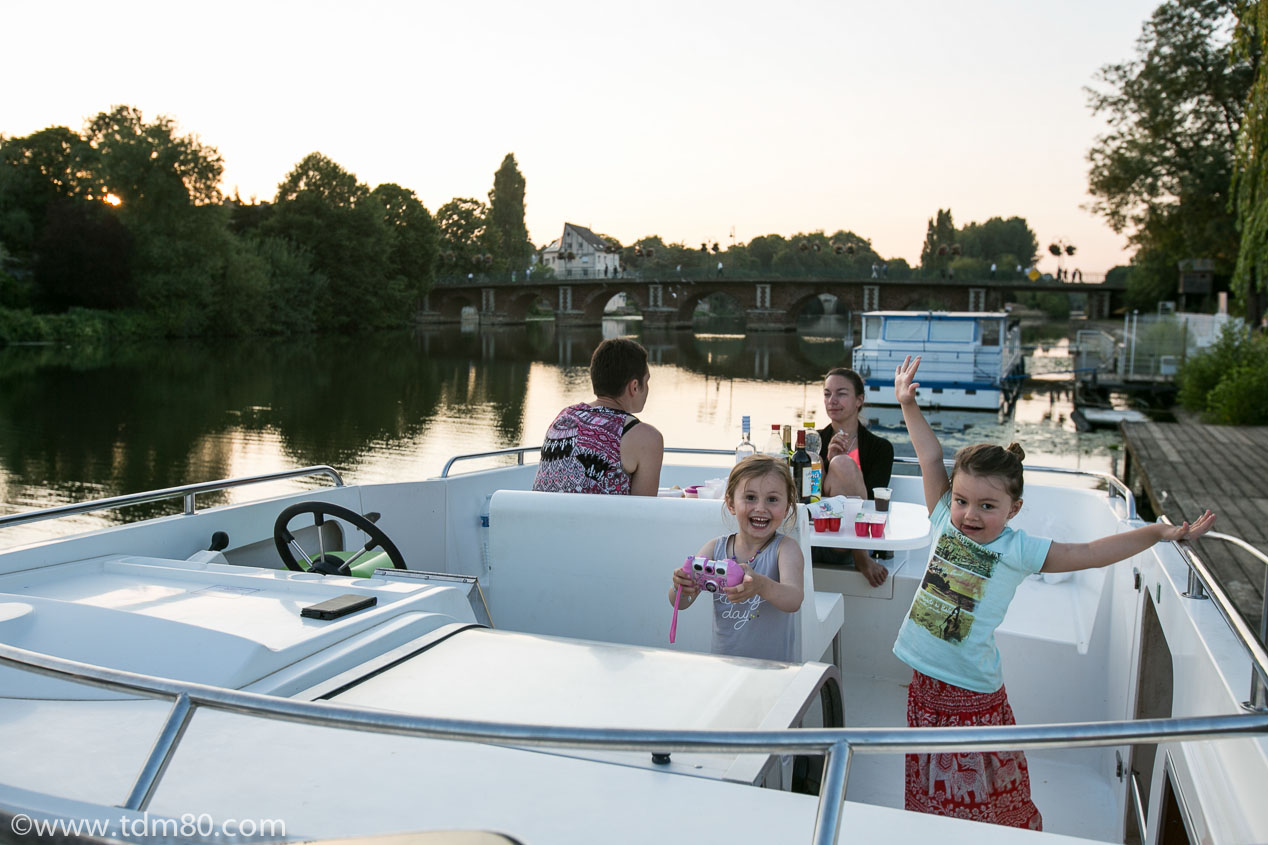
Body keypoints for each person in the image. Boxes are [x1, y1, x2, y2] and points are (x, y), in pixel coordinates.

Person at [892, 355, 1215, 831]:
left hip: (973, 691)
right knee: (932, 779)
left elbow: (1088, 551)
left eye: (987, 505)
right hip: (925, 685)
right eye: (962, 501)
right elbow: (928, 455)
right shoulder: (943, 519)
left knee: (979, 787)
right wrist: (907, 404)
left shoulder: (1018, 549)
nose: (969, 514)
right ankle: (937, 830)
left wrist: (1155, 533)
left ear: (1014, 508)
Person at [668, 455, 805, 661]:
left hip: (774, 671)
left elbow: (794, 599)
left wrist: (761, 586)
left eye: (772, 499)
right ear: (731, 504)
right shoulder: (715, 548)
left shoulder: (785, 549)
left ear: (786, 507)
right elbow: (680, 604)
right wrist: (681, 586)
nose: (760, 508)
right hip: (723, 668)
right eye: (750, 498)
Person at [532, 338, 664, 496]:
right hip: (598, 521)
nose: (648, 388)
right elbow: (643, 514)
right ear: (634, 386)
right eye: (647, 381)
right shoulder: (646, 438)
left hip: (542, 520)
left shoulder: (564, 418)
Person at [817, 367, 893, 587]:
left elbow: (872, 500)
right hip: (815, 534)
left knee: (842, 463)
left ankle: (861, 556)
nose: (832, 400)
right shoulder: (813, 442)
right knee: (817, 461)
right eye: (827, 394)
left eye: (841, 394)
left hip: (853, 542)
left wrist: (839, 463)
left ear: (859, 400)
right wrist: (827, 462)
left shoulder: (880, 449)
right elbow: (805, 496)